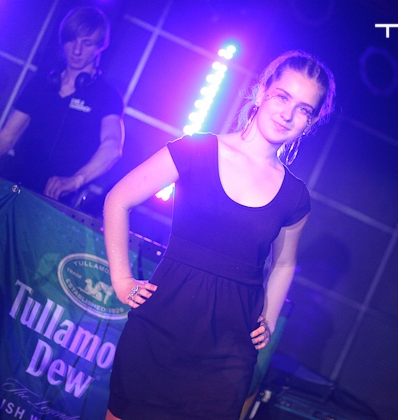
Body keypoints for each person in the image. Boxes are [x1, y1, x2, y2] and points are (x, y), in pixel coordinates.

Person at [103, 50, 335, 420]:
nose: (288, 114)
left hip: (229, 353)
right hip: (160, 328)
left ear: (310, 122)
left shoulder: (294, 196)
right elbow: (118, 200)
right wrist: (122, 280)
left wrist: (269, 318)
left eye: (303, 109)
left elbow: (284, 263)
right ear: (262, 91)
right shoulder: (196, 149)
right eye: (282, 97)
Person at [0, 6, 124, 201]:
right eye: (71, 40)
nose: (77, 50)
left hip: (54, 203)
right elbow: (5, 138)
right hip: (12, 188)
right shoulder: (41, 84)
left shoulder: (107, 97)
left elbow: (112, 147)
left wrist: (76, 180)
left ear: (101, 46)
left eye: (87, 43)